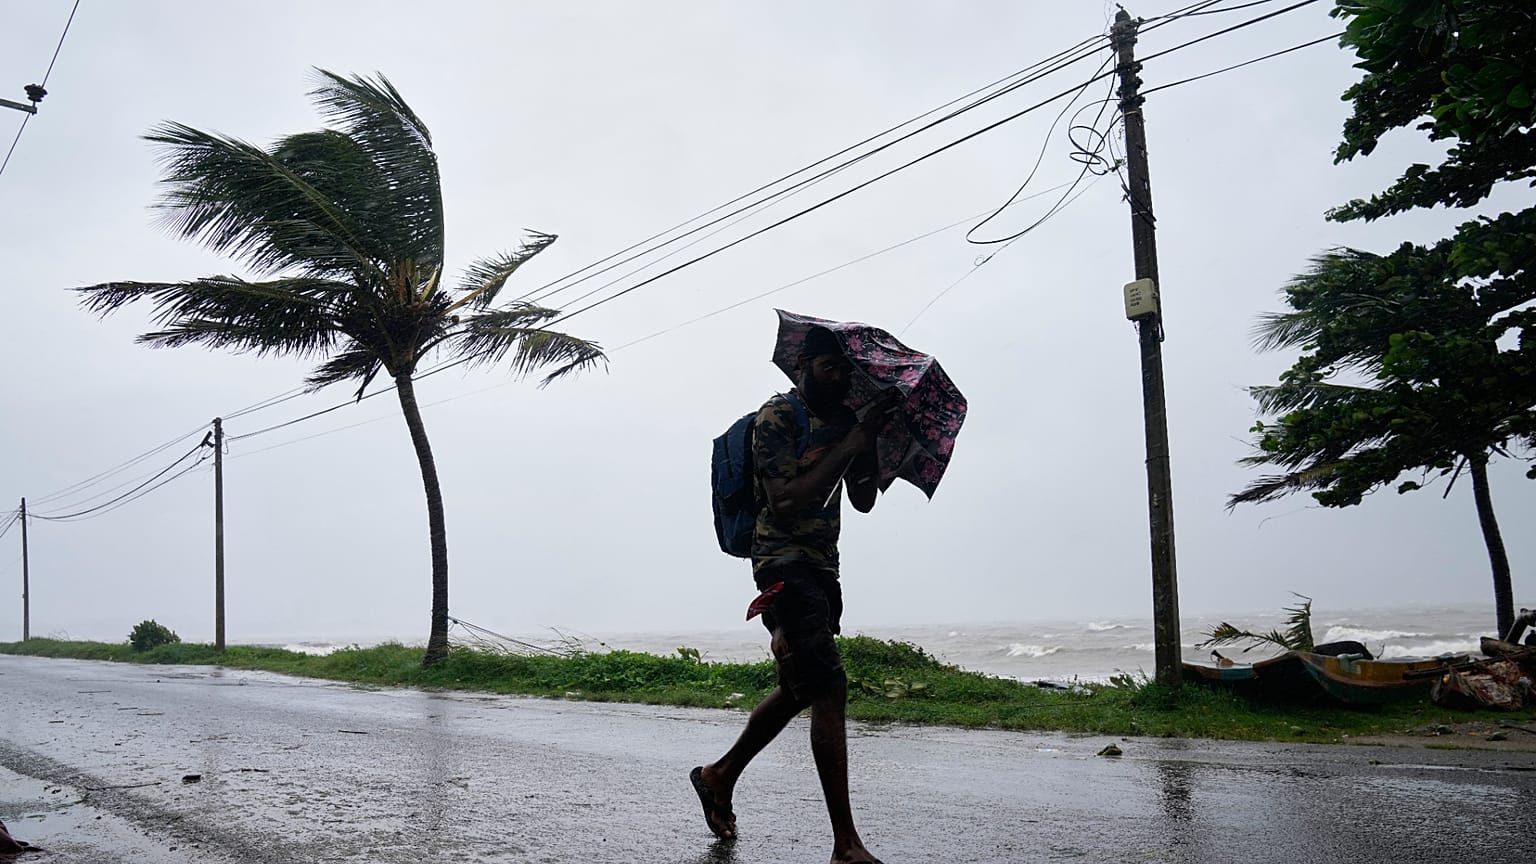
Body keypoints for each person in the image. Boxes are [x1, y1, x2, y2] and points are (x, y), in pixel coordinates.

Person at [691, 325, 900, 864]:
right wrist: (848, 444)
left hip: (823, 567)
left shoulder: (844, 421)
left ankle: (719, 775)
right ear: (803, 365)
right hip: (782, 563)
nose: (839, 378)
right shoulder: (777, 417)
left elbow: (863, 501)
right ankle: (846, 845)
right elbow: (783, 500)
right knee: (830, 686)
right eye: (830, 367)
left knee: (801, 686)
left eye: (845, 371)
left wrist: (868, 443)